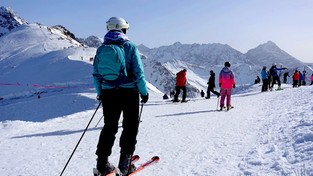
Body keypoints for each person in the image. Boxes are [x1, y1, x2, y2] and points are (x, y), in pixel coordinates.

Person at [92, 17, 149, 176]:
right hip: (129, 92)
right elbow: (138, 73)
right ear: (123, 29)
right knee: (130, 126)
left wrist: (101, 93)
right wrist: (143, 93)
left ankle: (102, 164)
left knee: (110, 127)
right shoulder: (130, 46)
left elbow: (96, 75)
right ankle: (125, 164)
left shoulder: (102, 48)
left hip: (109, 93)